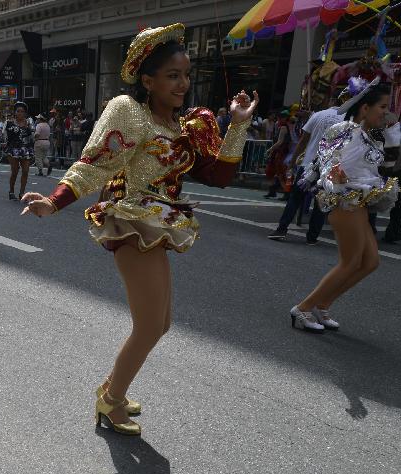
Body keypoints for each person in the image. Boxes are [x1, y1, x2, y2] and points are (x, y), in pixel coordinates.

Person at [21, 23, 257, 435]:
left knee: (160, 323)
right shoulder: (129, 113)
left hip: (160, 224)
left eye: (186, 74)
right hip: (131, 222)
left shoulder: (184, 128)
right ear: (147, 80)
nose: (183, 83)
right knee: (149, 325)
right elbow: (96, 162)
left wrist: (237, 124)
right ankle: (109, 402)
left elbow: (219, 176)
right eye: (172, 75)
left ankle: (113, 386)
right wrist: (54, 201)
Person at [291, 77, 399, 333]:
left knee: (370, 262)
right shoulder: (343, 130)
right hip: (344, 202)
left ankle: (323, 304)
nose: (386, 113)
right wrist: (335, 180)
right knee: (350, 262)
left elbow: (389, 167)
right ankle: (303, 308)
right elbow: (327, 163)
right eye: (382, 107)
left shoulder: (369, 136)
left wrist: (393, 135)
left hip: (360, 203)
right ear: (365, 108)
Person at [267, 92, 348, 243]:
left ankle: (281, 229)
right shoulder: (348, 118)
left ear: (331, 101)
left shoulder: (318, 115)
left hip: (309, 163)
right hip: (331, 167)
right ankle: (312, 237)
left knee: (295, 199)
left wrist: (292, 161)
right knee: (321, 203)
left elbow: (303, 140)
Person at [5, 101, 35, 200]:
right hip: (13, 149)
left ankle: (22, 193)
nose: (20, 113)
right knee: (15, 171)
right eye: (18, 111)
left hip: (26, 149)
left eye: (22, 111)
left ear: (25, 113)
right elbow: (4, 136)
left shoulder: (29, 123)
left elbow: (33, 136)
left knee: (25, 171)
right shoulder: (9, 123)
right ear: (15, 112)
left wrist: (33, 133)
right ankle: (11, 191)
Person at [264, 110, 291, 199]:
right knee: (271, 171)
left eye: (281, 117)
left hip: (281, 152)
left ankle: (286, 192)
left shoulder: (284, 127)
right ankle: (273, 190)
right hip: (278, 152)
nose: (279, 119)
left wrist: (270, 149)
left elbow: (280, 142)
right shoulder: (279, 126)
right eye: (279, 117)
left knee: (280, 173)